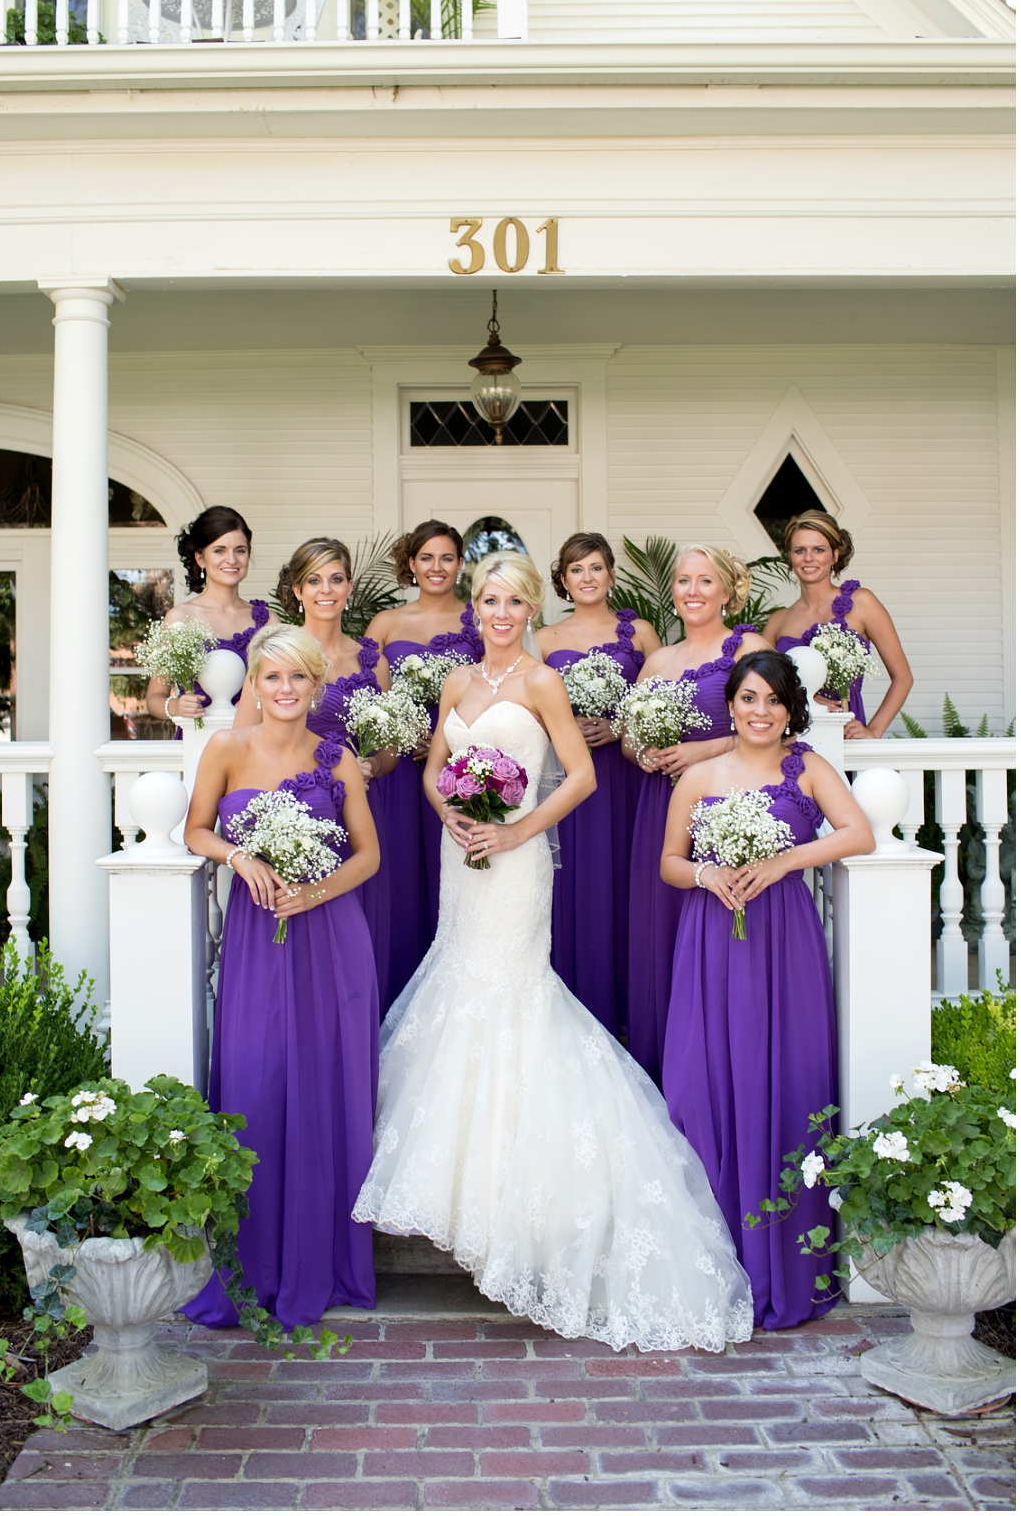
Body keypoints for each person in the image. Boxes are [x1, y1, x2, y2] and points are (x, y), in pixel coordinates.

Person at [353, 552, 754, 1354]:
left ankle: (519, 1185)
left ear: (532, 609)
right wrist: (454, 815)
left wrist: (513, 829)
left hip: (517, 859)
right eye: (490, 600)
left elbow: (579, 778)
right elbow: (434, 767)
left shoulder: (542, 682)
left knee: (511, 987)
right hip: (460, 858)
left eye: (514, 602)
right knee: (457, 977)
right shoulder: (457, 684)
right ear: (476, 605)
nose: (501, 613)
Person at [660, 650, 874, 1329]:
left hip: (785, 942)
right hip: (711, 940)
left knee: (787, 1079)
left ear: (791, 710)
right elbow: (668, 862)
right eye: (749, 698)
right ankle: (715, 1258)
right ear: (731, 704)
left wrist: (783, 860)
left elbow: (859, 834)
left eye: (774, 701)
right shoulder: (697, 776)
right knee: (708, 1083)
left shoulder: (807, 768)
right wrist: (705, 876)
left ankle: (785, 1258)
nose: (760, 711)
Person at [182, 623, 380, 1327]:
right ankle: (256, 1262)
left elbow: (367, 857)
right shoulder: (227, 748)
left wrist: (316, 890)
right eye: (272, 677)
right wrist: (242, 859)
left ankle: (320, 1262)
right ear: (256, 686)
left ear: (315, 684)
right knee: (258, 1080)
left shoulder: (338, 758)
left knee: (326, 1087)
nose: (286, 689)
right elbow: (197, 830)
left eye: (298, 677)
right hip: (258, 941)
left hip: (330, 939)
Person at [622, 545, 772, 1085]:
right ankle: (663, 1068)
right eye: (684, 581)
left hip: (723, 805)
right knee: (658, 928)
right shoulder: (659, 660)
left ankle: (718, 1065)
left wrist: (696, 752)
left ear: (728, 591)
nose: (691, 590)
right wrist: (647, 753)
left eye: (704, 581)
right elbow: (628, 738)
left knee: (716, 931)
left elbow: (772, 722)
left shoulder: (748, 647)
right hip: (660, 804)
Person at [236, 537, 396, 1012]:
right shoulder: (272, 653)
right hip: (294, 820)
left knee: (359, 942)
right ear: (297, 589)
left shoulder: (372, 660)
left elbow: (389, 748)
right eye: (314, 580)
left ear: (349, 586)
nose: (326, 590)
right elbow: (246, 742)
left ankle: (356, 1045)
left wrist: (371, 763)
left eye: (336, 579)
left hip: (360, 814)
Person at [540, 533, 660, 1036]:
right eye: (576, 569)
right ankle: (574, 1019)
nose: (586, 577)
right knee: (576, 887)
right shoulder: (543, 639)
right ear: (563, 581)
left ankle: (631, 1018)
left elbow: (662, 704)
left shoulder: (642, 633)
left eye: (595, 567)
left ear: (611, 575)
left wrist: (619, 728)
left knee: (627, 884)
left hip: (627, 777)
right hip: (571, 781)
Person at [366, 520, 483, 1001]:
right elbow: (367, 700)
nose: (437, 568)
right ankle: (397, 1001)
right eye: (427, 558)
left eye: (448, 558)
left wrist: (445, 738)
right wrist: (398, 731)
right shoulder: (386, 624)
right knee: (402, 887)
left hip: (463, 774)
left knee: (455, 886)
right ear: (411, 564)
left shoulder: (480, 617)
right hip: (398, 773)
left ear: (460, 564)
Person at [763, 510, 913, 738]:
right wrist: (799, 697)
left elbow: (903, 677)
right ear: (791, 558)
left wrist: (873, 730)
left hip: (845, 735)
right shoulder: (778, 621)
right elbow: (757, 686)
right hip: (792, 737)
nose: (808, 558)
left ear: (835, 555)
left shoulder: (861, 603)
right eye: (800, 550)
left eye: (819, 550)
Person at [145, 505, 269, 732]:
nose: (231, 559)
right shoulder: (179, 619)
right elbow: (154, 698)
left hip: (253, 744)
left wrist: (261, 705)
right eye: (220, 550)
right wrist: (175, 706)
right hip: (197, 742)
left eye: (240, 550)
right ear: (200, 558)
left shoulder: (268, 621)